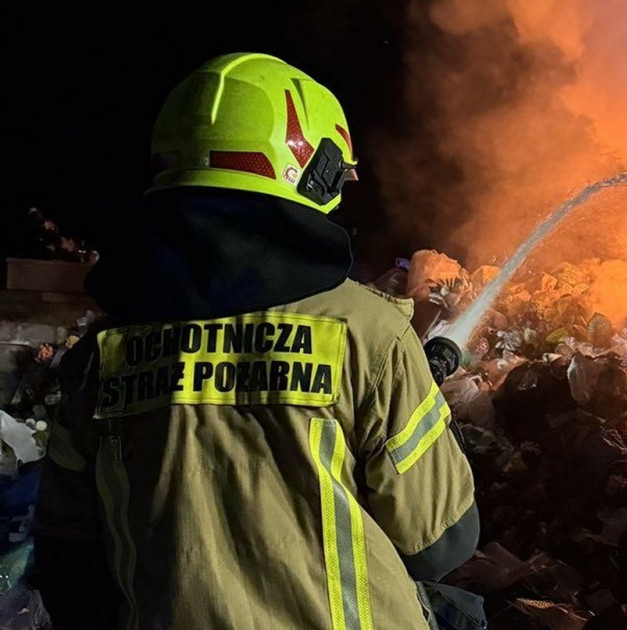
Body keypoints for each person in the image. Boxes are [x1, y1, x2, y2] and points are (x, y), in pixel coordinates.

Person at [32, 52, 479, 630]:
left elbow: (70, 564)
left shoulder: (99, 355)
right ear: (313, 173)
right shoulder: (369, 335)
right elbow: (442, 543)